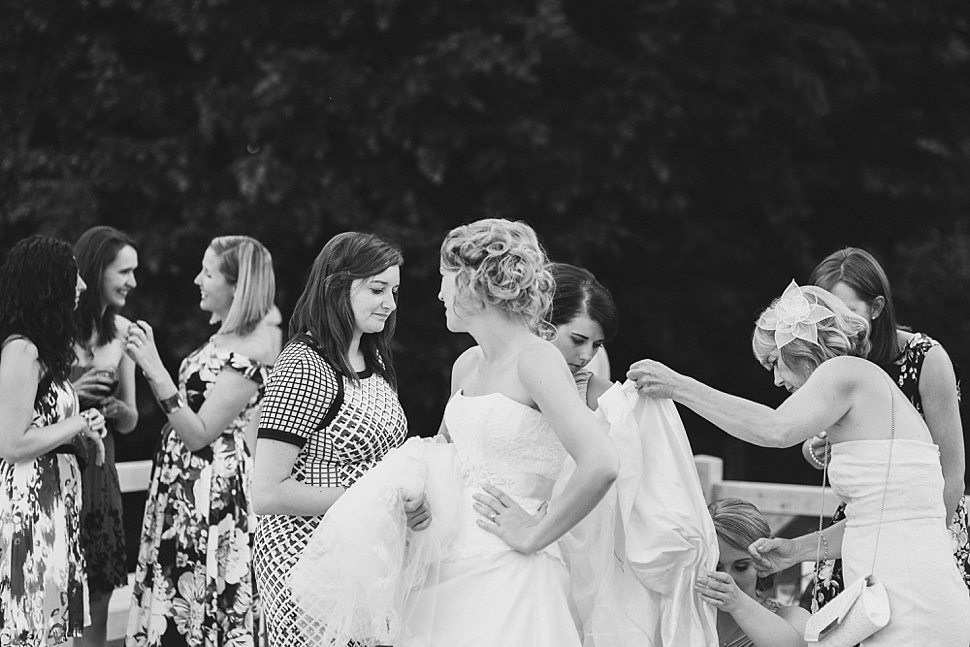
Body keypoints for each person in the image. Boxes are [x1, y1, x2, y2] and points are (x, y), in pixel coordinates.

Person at [629, 279, 970, 645]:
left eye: (775, 363)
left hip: (908, 595)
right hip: (896, 588)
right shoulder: (864, 386)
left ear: (801, 348)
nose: (776, 380)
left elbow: (775, 430)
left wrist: (679, 386)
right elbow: (879, 520)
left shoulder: (845, 373)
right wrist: (796, 550)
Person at [402, 219, 618, 646]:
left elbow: (602, 463)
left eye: (446, 281)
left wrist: (535, 533)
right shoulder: (465, 365)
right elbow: (446, 459)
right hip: (445, 567)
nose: (441, 293)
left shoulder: (537, 361)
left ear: (474, 284)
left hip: (510, 572)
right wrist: (417, 499)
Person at [252, 232, 429, 646]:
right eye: (377, 289)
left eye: (395, 291)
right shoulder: (303, 365)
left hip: (366, 554)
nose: (390, 303)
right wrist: (374, 499)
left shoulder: (377, 357)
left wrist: (406, 499)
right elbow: (267, 492)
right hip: (306, 556)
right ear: (336, 286)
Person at [124, 236, 277, 647]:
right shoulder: (220, 343)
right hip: (181, 491)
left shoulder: (251, 352)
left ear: (236, 285)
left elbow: (199, 434)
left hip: (211, 495)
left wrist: (155, 369)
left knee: (200, 597)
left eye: (208, 273)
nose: (198, 280)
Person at [801, 246, 969, 604]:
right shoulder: (834, 358)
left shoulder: (927, 359)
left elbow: (952, 473)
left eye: (848, 311)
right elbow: (810, 432)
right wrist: (820, 448)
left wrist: (925, 548)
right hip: (860, 524)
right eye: (825, 314)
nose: (836, 324)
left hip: (926, 525)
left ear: (876, 308)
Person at [0, 236, 106, 646]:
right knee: (31, 620)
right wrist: (77, 424)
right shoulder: (21, 350)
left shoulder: (44, 351)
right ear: (49, 283)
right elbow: (10, 443)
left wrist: (79, 436)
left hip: (55, 496)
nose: (81, 285)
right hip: (29, 502)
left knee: (51, 621)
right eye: (72, 275)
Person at [70, 226, 140, 647]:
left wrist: (117, 409)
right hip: (59, 470)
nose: (133, 282)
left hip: (102, 473)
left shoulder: (124, 332)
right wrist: (73, 394)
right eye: (124, 271)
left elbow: (131, 418)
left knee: (100, 593)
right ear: (96, 271)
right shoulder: (54, 329)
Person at [701, 498, 809, 647]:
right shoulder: (684, 614)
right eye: (716, 567)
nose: (728, 578)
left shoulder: (792, 618)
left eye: (741, 567)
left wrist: (738, 604)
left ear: (763, 562)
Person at [547, 262, 617, 409]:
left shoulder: (600, 394)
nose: (587, 356)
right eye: (577, 340)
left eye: (597, 345)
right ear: (544, 325)